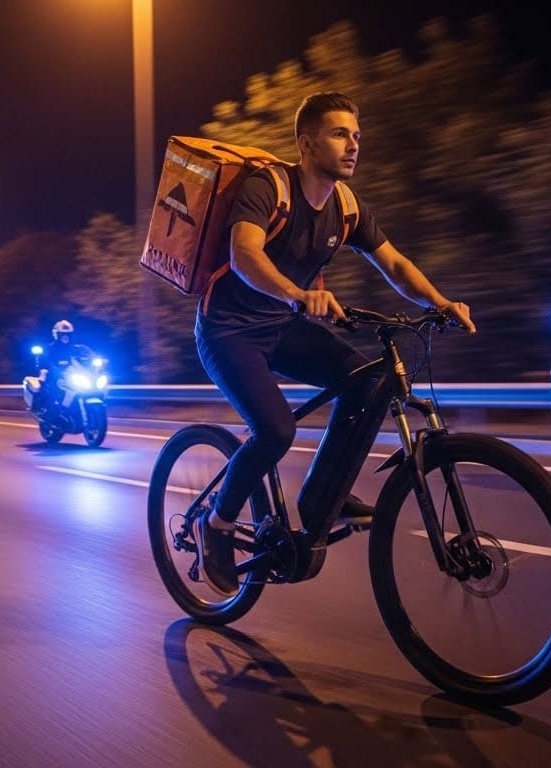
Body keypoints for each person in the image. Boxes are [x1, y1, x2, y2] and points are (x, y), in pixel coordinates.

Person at [193, 92, 476, 596]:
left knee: (368, 382)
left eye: (357, 136)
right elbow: (244, 255)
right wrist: (298, 295)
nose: (353, 145)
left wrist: (440, 302)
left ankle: (325, 494)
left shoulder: (346, 206)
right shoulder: (269, 188)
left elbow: (394, 263)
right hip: (228, 330)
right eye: (340, 134)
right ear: (306, 144)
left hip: (282, 326)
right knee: (275, 431)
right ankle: (215, 525)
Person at [31, 319, 96, 414]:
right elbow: (43, 361)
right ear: (56, 335)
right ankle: (43, 409)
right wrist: (49, 368)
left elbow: (91, 356)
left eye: (68, 334)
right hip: (56, 375)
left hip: (73, 375)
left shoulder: (79, 348)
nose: (65, 336)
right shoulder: (50, 348)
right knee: (45, 383)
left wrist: (98, 361)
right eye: (62, 334)